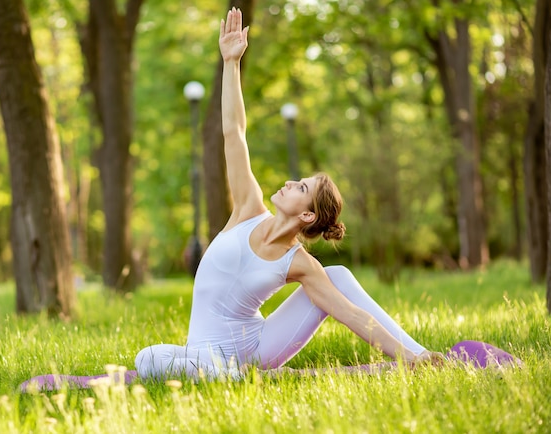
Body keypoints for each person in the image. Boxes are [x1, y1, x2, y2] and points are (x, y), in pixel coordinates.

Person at [133, 7, 443, 381]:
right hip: (203, 354)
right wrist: (231, 63)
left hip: (258, 347)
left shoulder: (299, 263)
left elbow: (350, 314)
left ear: (308, 215)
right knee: (147, 358)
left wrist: (407, 356)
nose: (290, 183)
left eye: (302, 188)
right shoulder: (248, 207)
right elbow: (235, 132)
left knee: (339, 276)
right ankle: (231, 375)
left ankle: (418, 357)